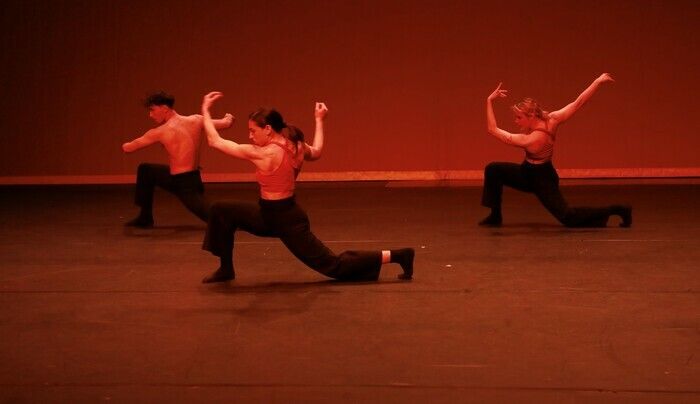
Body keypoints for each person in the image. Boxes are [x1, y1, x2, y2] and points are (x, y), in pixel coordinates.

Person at [199, 92, 414, 283]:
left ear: (267, 129)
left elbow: (215, 141)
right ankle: (226, 269)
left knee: (334, 266)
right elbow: (318, 150)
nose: (250, 136)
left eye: (252, 131)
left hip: (286, 220)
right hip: (268, 214)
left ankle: (398, 255)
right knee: (221, 210)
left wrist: (205, 111)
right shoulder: (296, 145)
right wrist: (319, 120)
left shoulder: (266, 153)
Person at [480, 73, 632, 228]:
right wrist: (597, 81)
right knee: (493, 169)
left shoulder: (532, 139)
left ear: (531, 115)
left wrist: (488, 101)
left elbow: (492, 129)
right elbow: (578, 103)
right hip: (527, 173)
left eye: (519, 117)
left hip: (543, 179)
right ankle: (495, 215)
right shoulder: (552, 119)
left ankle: (618, 210)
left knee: (568, 217)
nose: (516, 121)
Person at [121, 91, 234, 227]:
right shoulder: (196, 120)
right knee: (146, 170)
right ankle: (145, 217)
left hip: (186, 186)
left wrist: (123, 145)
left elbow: (128, 148)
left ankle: (238, 218)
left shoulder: (160, 132)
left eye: (152, 110)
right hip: (188, 179)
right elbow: (226, 123)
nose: (150, 115)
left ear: (164, 108)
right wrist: (229, 117)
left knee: (217, 220)